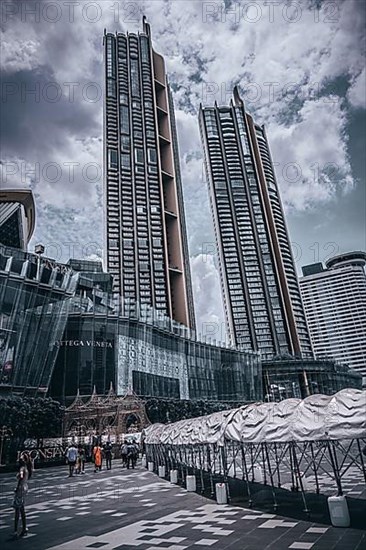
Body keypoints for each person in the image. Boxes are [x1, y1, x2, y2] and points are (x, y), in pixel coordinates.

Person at [12, 453, 32, 539]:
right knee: (22, 509)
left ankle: (16, 530)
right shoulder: (26, 468)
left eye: (21, 458)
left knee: (17, 509)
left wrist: (17, 487)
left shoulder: (22, 468)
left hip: (20, 489)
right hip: (24, 488)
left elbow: (21, 476)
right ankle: (24, 527)